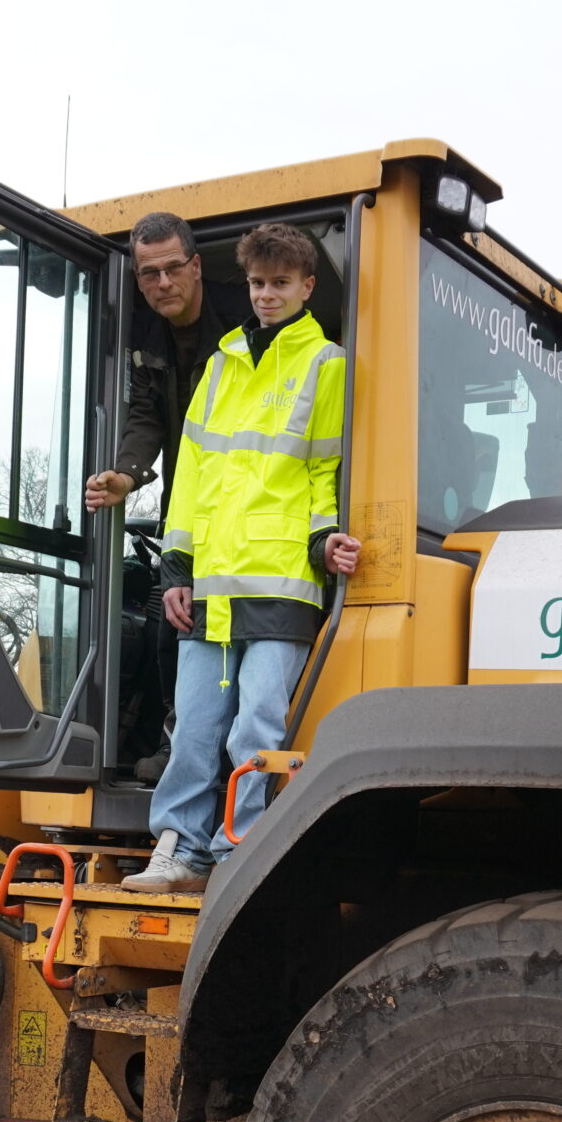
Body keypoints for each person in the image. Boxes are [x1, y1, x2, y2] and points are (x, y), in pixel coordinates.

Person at [123, 223, 361, 895]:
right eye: (258, 283)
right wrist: (176, 567)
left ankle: (240, 850)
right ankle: (178, 848)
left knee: (257, 721)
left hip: (285, 579)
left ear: (307, 287)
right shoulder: (223, 361)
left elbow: (325, 474)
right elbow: (191, 472)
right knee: (195, 722)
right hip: (212, 581)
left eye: (280, 283)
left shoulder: (327, 365)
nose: (267, 294)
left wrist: (324, 541)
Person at [83, 212, 250, 519]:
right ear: (137, 278)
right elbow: (146, 414)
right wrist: (124, 477)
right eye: (150, 273)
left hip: (246, 504)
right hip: (183, 507)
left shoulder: (248, 321)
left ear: (196, 266)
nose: (163, 283)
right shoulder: (140, 335)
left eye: (174, 268)